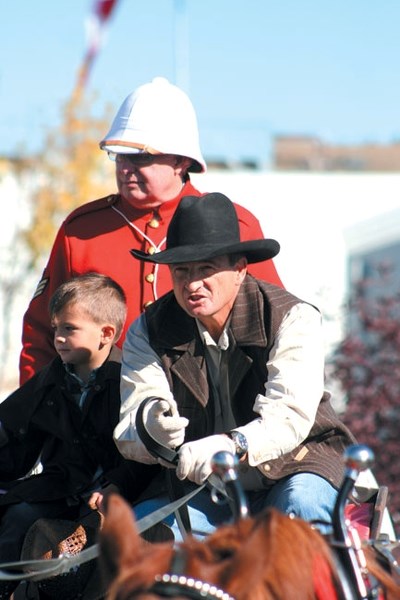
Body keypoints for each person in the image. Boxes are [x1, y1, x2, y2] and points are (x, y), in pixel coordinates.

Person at [114, 192, 356, 541]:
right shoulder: (147, 330)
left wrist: (233, 443)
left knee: (303, 511)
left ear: (240, 270)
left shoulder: (292, 317)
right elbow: (131, 423)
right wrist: (151, 427)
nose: (192, 284)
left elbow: (287, 416)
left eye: (206, 269)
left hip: (297, 469)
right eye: (181, 270)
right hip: (206, 490)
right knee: (139, 537)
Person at [19, 76, 283, 385]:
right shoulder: (81, 231)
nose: (126, 167)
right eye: (120, 154)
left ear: (181, 161)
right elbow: (41, 333)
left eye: (142, 156)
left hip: (211, 414)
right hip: (100, 415)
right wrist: (37, 416)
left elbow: (275, 324)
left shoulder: (234, 226)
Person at [0, 272, 155, 589]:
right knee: (16, 518)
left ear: (106, 333)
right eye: (56, 328)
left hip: (121, 494)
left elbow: (146, 451)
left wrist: (118, 483)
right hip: (61, 488)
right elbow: (15, 436)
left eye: (69, 329)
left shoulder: (130, 381)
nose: (57, 337)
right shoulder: (50, 379)